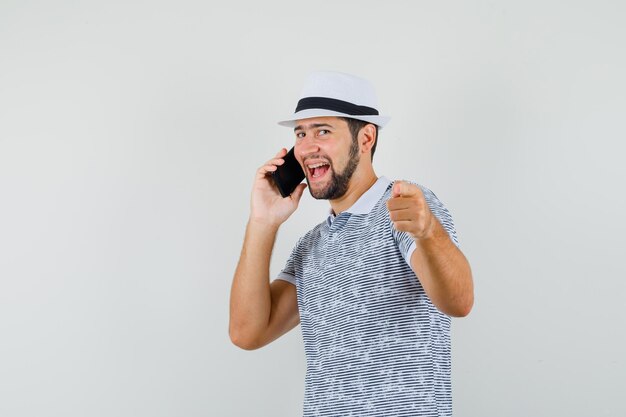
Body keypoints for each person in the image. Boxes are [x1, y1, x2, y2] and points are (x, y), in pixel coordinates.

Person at [229, 71, 474, 417]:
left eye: (323, 131)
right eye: (301, 133)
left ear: (366, 137)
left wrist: (427, 231)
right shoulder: (311, 247)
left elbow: (460, 301)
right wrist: (262, 222)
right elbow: (246, 332)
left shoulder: (404, 209)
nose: (307, 146)